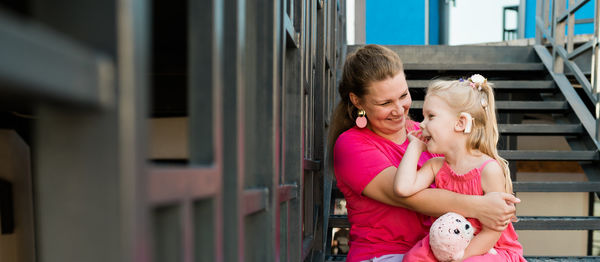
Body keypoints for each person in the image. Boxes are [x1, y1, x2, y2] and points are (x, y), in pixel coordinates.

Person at [329, 44, 520, 262]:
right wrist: (484, 207)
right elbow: (408, 197)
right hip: (385, 254)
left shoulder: (424, 133)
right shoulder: (350, 145)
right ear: (357, 101)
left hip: (442, 248)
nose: (399, 109)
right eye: (385, 103)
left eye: (403, 95)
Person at [394, 75, 526, 261]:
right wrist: (415, 147)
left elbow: (492, 232)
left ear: (460, 123)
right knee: (412, 258)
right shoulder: (435, 166)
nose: (422, 124)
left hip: (487, 249)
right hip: (448, 247)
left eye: (430, 116)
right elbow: (403, 188)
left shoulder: (488, 170)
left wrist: (461, 257)